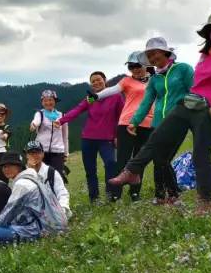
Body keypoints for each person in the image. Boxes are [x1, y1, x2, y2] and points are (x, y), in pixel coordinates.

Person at [110, 12, 211, 216]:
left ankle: (205, 202)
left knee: (201, 155)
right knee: (156, 139)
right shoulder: (205, 56)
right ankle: (132, 172)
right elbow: (157, 97)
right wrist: (135, 120)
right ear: (209, 34)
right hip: (186, 105)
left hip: (208, 110)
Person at [125, 38, 194, 205]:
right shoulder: (154, 79)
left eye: (155, 53)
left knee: (163, 158)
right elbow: (146, 102)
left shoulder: (183, 69)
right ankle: (161, 195)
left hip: (179, 120)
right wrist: (134, 121)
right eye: (149, 55)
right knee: (158, 159)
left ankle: (173, 195)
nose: (153, 58)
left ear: (166, 52)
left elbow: (195, 91)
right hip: (157, 124)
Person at [91, 52, 154, 201]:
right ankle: (115, 195)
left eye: (137, 65)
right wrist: (96, 96)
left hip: (148, 124)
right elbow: (111, 90)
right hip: (126, 124)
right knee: (123, 160)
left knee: (140, 160)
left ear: (145, 64)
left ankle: (135, 193)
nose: (135, 69)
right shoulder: (126, 81)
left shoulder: (155, 80)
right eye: (131, 67)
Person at [55, 72, 124, 203]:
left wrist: (117, 135)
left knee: (110, 164)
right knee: (90, 169)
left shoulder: (115, 96)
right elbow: (78, 110)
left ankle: (112, 196)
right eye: (93, 81)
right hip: (88, 138)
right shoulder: (92, 98)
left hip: (107, 139)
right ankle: (94, 198)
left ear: (105, 80)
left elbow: (121, 117)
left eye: (99, 80)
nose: (96, 83)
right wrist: (61, 120)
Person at [0, 151, 68, 244]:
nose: (6, 169)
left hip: (35, 230)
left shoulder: (21, 184)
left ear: (19, 166)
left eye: (10, 165)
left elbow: (7, 214)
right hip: (41, 223)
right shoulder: (32, 177)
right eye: (4, 166)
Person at [23, 140, 71, 219]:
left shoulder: (51, 173)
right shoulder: (23, 174)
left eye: (37, 152)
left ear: (43, 154)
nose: (34, 155)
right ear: (26, 155)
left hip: (52, 212)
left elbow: (62, 193)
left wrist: (62, 210)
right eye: (31, 153)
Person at [29, 90, 69, 179]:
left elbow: (65, 136)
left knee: (57, 177)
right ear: (42, 102)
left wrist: (66, 153)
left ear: (55, 101)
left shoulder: (62, 115)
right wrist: (33, 125)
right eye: (45, 100)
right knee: (41, 176)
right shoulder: (40, 114)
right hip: (41, 151)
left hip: (58, 151)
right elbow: (36, 121)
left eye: (50, 100)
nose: (48, 102)